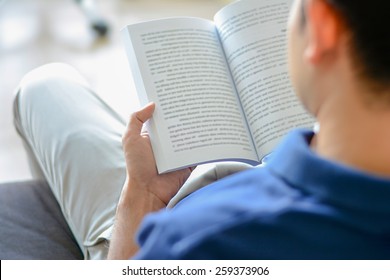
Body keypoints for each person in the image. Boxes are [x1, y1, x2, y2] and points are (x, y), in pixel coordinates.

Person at [13, 0, 390, 260]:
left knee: (45, 86)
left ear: (323, 26)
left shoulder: (195, 240)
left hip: (166, 211)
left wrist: (141, 193)